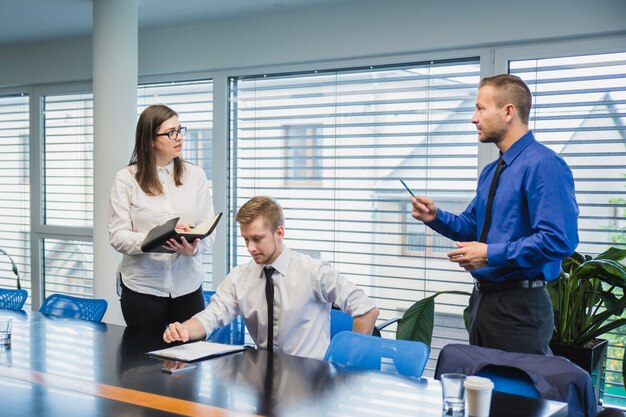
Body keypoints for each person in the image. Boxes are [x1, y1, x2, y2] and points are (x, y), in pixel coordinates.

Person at [410, 74, 579, 355]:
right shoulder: (492, 171)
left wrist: (489, 254)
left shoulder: (544, 165)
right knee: (483, 392)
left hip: (520, 307)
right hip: (483, 302)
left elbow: (559, 240)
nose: (473, 119)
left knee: (515, 397)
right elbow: (472, 226)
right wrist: (435, 216)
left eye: (480, 108)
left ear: (508, 111)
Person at [163, 196, 379, 360]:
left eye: (257, 239)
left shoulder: (314, 272)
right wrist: (184, 329)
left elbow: (367, 310)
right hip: (262, 379)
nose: (250, 248)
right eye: (246, 239)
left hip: (311, 382)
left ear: (279, 232)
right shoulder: (240, 277)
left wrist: (348, 365)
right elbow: (210, 317)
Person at [109, 104, 215, 333]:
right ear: (149, 140)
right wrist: (158, 236)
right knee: (141, 364)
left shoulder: (195, 176)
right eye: (170, 133)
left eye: (180, 130)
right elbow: (117, 236)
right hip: (142, 289)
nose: (179, 138)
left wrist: (192, 249)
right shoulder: (126, 179)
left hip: (188, 287)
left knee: (190, 361)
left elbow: (209, 231)